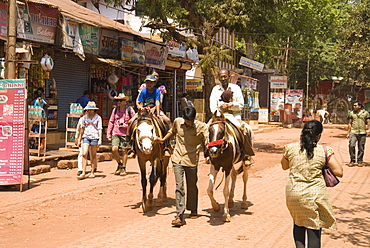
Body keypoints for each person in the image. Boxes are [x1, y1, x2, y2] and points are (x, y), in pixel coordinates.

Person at [281, 120, 343, 248]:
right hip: (315, 196)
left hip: (294, 194)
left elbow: (284, 166)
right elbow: (339, 172)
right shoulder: (324, 151)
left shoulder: (290, 148)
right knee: (314, 226)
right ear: (319, 136)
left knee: (298, 223)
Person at [156, 106, 208, 227]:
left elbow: (207, 138)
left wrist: (208, 144)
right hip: (177, 158)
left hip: (191, 161)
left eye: (190, 121)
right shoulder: (178, 122)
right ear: (183, 118)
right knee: (179, 186)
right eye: (186, 120)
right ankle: (179, 215)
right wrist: (163, 139)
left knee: (192, 186)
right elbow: (172, 131)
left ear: (194, 119)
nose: (188, 123)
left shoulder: (202, 127)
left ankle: (193, 209)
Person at [209, 68, 254, 160]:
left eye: (225, 76)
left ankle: (246, 155)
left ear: (229, 77)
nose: (223, 79)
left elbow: (241, 105)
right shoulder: (215, 89)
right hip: (219, 117)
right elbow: (212, 106)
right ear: (218, 78)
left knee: (245, 130)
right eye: (221, 77)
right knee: (207, 129)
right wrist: (219, 112)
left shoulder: (236, 88)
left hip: (234, 116)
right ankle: (208, 153)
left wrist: (230, 106)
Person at [128, 74, 172, 156]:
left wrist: (157, 112)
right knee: (130, 122)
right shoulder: (143, 91)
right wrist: (141, 108)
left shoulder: (157, 91)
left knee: (167, 121)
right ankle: (130, 145)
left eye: (151, 82)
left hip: (154, 111)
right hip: (144, 112)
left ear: (154, 83)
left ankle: (167, 144)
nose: (149, 84)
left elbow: (158, 102)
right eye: (148, 82)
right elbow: (140, 103)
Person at [107, 93, 135, 176]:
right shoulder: (115, 110)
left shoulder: (129, 110)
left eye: (121, 100)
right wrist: (109, 133)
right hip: (116, 132)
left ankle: (123, 167)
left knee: (124, 150)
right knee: (114, 149)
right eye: (118, 100)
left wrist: (126, 126)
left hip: (125, 134)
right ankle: (119, 163)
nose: (119, 102)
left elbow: (134, 120)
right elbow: (111, 121)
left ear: (125, 101)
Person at [76, 101, 102, 180]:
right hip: (86, 136)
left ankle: (92, 172)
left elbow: (99, 129)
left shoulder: (98, 118)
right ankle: (83, 172)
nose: (89, 111)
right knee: (84, 153)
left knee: (93, 155)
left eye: (91, 110)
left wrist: (100, 139)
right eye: (88, 110)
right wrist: (80, 138)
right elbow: (82, 128)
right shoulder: (84, 118)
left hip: (94, 137)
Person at [346, 101, 370, 167]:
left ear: (360, 106)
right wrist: (348, 133)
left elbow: (368, 122)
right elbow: (350, 123)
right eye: (354, 105)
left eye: (355, 105)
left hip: (362, 132)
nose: (354, 107)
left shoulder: (365, 113)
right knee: (351, 145)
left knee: (361, 147)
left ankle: (360, 161)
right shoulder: (351, 113)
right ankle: (352, 160)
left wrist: (368, 130)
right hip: (353, 132)